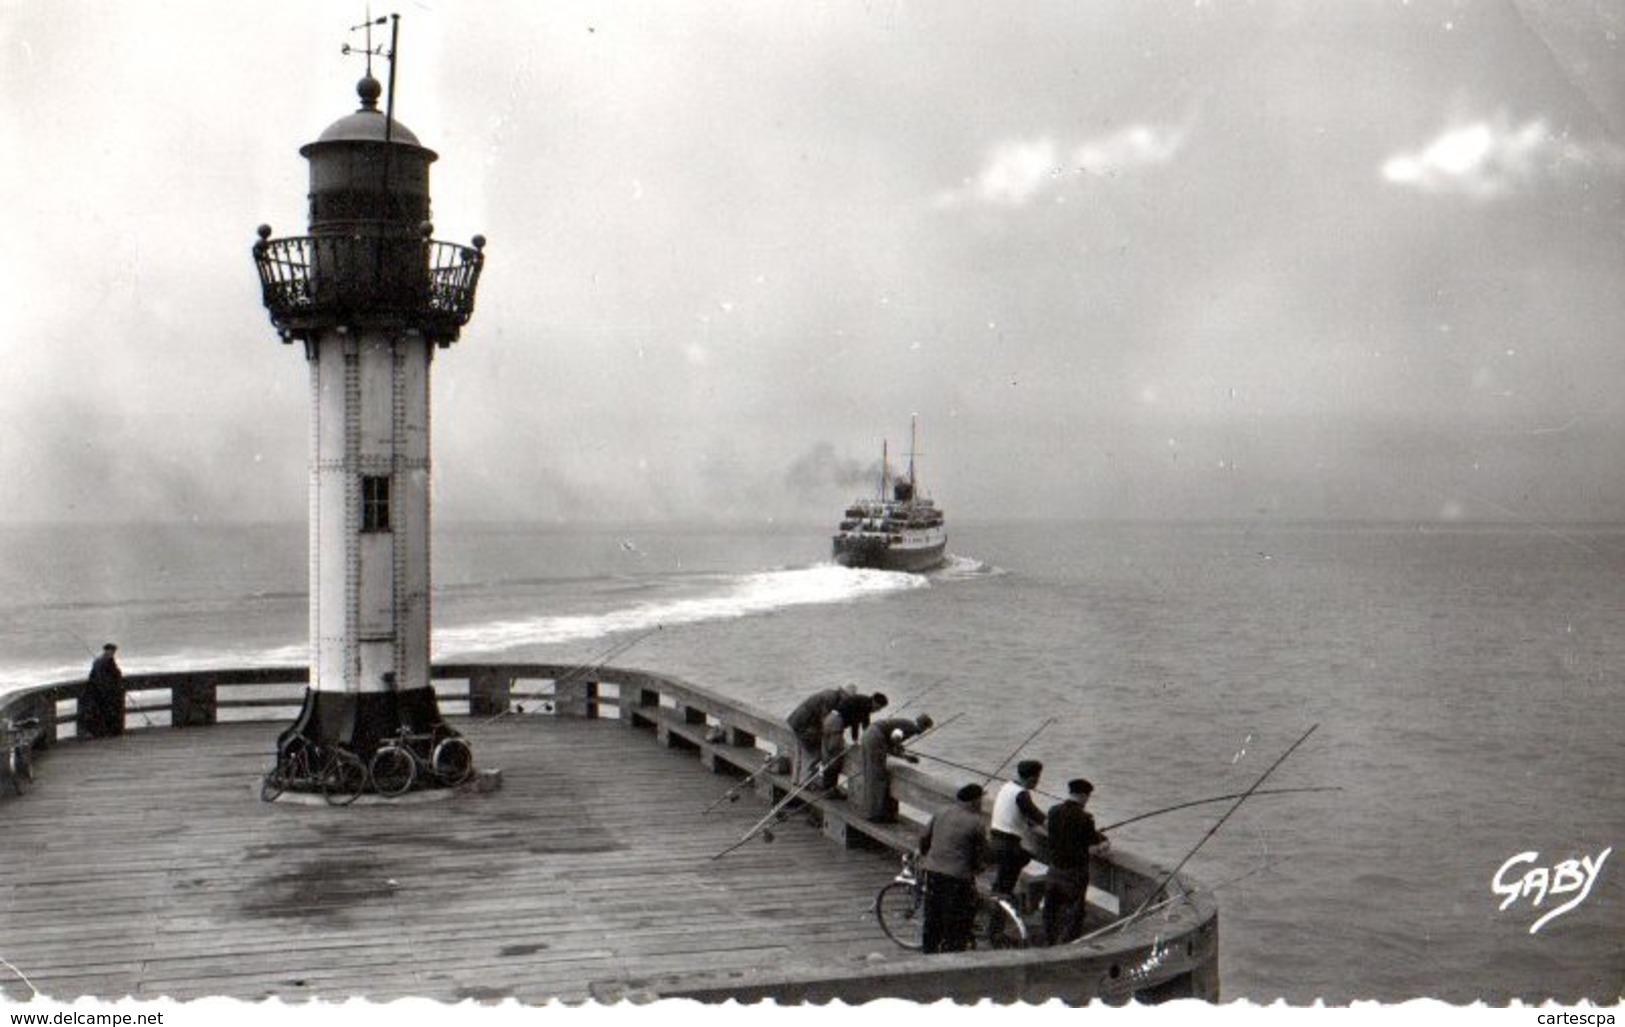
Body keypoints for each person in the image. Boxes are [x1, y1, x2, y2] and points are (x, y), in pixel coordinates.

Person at [918, 782, 989, 954]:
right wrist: (979, 868)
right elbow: (979, 853)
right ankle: (953, 952)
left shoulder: (941, 811)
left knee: (933, 914)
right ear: (975, 801)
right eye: (981, 800)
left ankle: (929, 951)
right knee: (956, 918)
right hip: (957, 877)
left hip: (933, 871)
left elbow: (924, 837)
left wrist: (925, 855)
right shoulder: (977, 822)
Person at [1042, 778, 1110, 946]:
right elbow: (1093, 844)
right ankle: (1068, 946)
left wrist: (1094, 835)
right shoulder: (1085, 817)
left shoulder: (1053, 811)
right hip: (1074, 873)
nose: (1087, 800)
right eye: (1088, 796)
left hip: (1054, 869)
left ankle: (1049, 942)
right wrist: (1104, 843)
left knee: (1051, 910)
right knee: (1074, 912)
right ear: (1083, 795)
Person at [854, 714, 933, 822]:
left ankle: (870, 811)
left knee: (870, 775)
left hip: (868, 735)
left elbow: (890, 745)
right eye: (926, 729)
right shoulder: (912, 728)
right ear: (923, 726)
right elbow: (895, 737)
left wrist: (904, 755)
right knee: (878, 778)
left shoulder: (905, 723)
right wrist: (902, 752)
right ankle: (876, 814)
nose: (923, 732)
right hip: (876, 739)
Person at [989, 759, 1045, 897]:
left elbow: (1022, 814)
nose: (1038, 781)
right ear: (1033, 778)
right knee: (1006, 886)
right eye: (1038, 777)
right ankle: (1001, 910)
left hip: (994, 839)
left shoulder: (1007, 786)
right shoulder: (1022, 794)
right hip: (1008, 845)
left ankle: (999, 900)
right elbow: (1039, 818)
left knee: (1002, 882)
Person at [84, 642, 124, 738]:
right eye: (113, 651)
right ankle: (111, 731)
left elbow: (92, 677)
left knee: (101, 712)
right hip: (108, 691)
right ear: (109, 650)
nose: (113, 653)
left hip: (98, 691)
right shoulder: (109, 661)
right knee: (110, 711)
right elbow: (116, 674)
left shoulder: (97, 661)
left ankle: (100, 732)